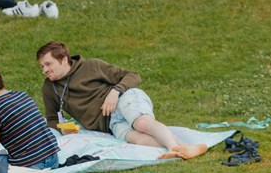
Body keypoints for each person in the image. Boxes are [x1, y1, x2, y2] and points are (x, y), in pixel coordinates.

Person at [36, 41, 207, 159]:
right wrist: (62, 130)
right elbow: (51, 119)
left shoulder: (91, 66)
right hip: (109, 123)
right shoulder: (49, 88)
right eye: (42, 66)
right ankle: (186, 148)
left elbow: (133, 75)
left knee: (141, 123)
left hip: (123, 100)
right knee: (137, 139)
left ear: (64, 60)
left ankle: (172, 148)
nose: (45, 70)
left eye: (48, 64)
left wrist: (115, 91)